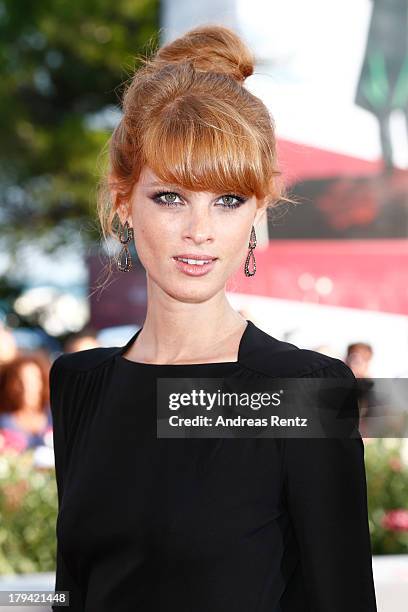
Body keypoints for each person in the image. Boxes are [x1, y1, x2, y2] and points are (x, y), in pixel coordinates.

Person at [50, 24, 377, 612]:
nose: (199, 231)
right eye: (170, 196)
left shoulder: (303, 391)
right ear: (124, 200)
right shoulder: (79, 383)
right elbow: (71, 592)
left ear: (257, 211)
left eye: (227, 200)